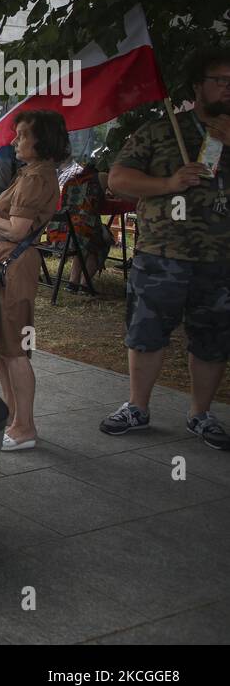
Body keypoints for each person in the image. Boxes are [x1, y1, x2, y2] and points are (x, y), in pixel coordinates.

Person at [99, 49, 230, 450]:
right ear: (198, 86)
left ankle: (201, 414)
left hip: (220, 262)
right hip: (162, 256)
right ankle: (137, 407)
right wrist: (169, 184)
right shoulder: (162, 130)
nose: (227, 88)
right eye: (219, 80)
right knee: (147, 333)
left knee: (213, 339)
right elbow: (117, 179)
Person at [0, 110, 70, 451]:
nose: (14, 141)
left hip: (12, 267)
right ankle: (12, 417)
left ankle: (25, 427)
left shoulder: (37, 178)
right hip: (2, 264)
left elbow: (17, 229)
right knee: (4, 348)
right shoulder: (32, 173)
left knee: (15, 350)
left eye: (22, 135)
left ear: (42, 141)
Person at [45, 152, 111, 293]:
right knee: (102, 241)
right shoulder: (102, 177)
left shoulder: (70, 181)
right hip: (80, 230)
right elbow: (107, 199)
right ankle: (83, 284)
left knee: (82, 240)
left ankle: (73, 283)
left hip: (57, 231)